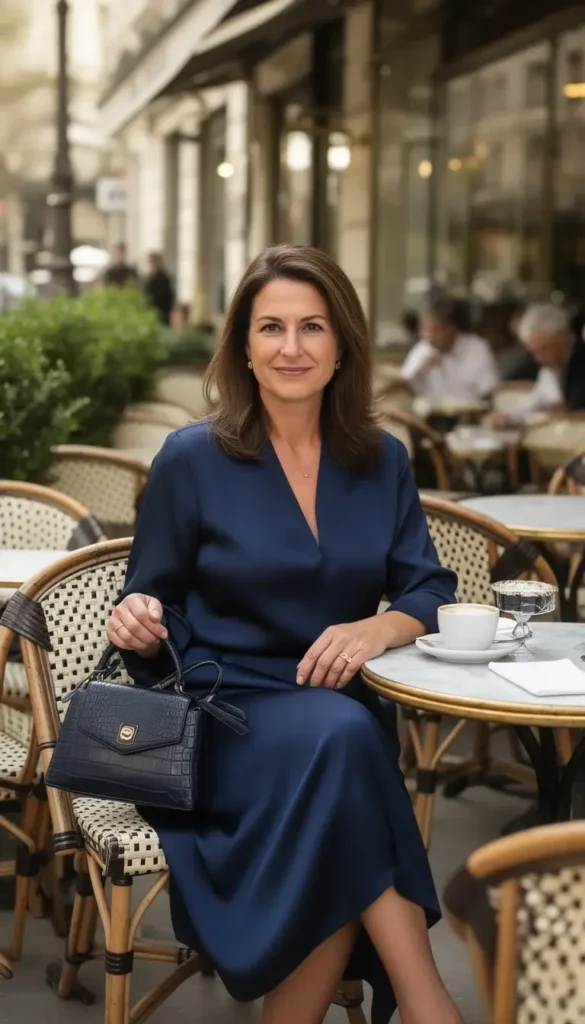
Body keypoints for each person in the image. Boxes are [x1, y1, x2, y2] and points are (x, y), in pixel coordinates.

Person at [107, 244, 461, 1024]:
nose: (291, 347)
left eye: (312, 327)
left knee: (341, 758)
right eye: (270, 327)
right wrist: (137, 620)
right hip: (220, 716)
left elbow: (430, 588)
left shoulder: (380, 460)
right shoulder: (190, 459)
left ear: (342, 347)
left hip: (330, 719)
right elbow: (147, 600)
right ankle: (429, 1004)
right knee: (348, 745)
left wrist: (379, 626)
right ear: (243, 346)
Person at [485, 303, 585, 428]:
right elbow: (538, 404)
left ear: (561, 338)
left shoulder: (580, 358)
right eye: (534, 352)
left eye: (543, 350)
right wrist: (508, 418)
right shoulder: (550, 368)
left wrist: (566, 416)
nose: (538, 358)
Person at [400, 295, 499, 401]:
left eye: (435, 330)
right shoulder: (423, 349)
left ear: (452, 329)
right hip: (431, 409)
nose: (429, 336)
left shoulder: (477, 348)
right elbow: (402, 382)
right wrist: (420, 370)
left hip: (470, 408)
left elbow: (489, 389)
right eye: (425, 330)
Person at [144, 251, 175, 325]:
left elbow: (168, 296)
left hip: (162, 313)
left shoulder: (164, 278)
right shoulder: (148, 278)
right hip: (150, 312)